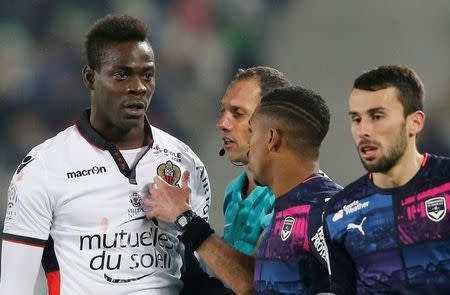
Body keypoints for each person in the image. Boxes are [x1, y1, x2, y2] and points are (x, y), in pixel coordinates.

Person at [0, 15, 211, 295]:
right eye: (122, 74)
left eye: (147, 74)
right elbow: (15, 286)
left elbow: (197, 276)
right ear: (90, 77)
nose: (138, 86)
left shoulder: (186, 163)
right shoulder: (42, 169)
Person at [145, 86, 342, 294]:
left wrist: (185, 220)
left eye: (254, 132)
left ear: (271, 138)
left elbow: (247, 283)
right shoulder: (285, 212)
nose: (250, 147)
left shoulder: (323, 214)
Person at [324, 65, 450, 294]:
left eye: (376, 116)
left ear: (415, 122)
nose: (363, 130)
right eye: (356, 119)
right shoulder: (338, 214)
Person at [218, 66, 291, 256]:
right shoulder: (234, 190)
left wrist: (189, 225)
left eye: (238, 113)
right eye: (222, 111)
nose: (222, 124)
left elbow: (253, 282)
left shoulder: (292, 195)